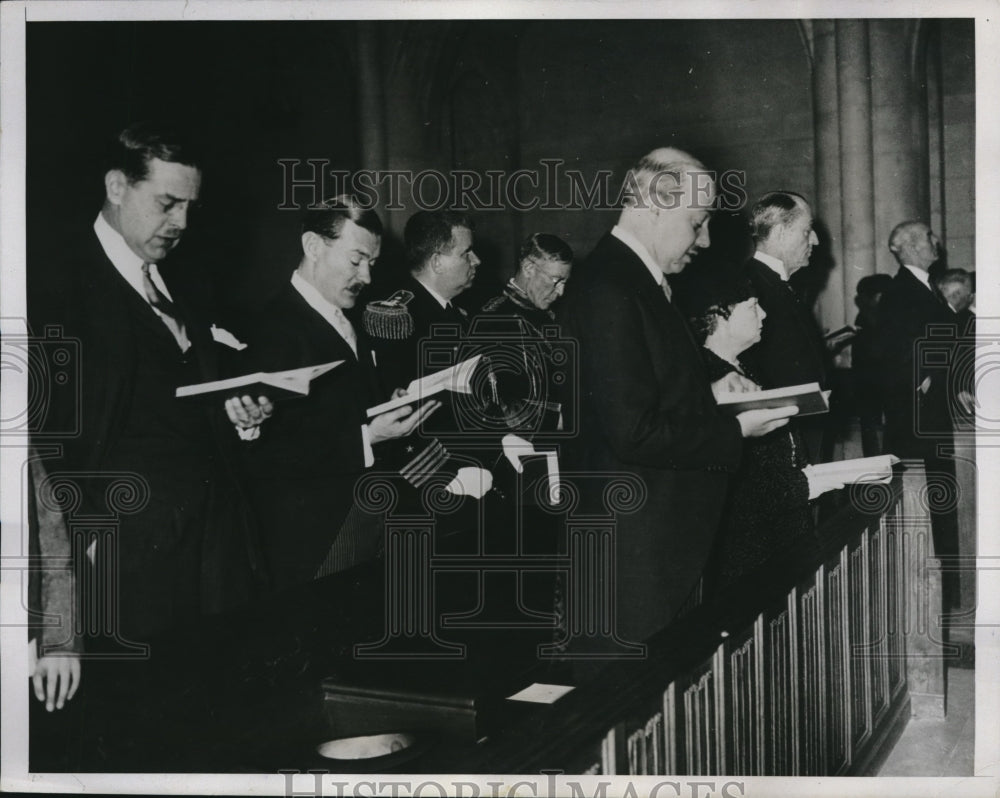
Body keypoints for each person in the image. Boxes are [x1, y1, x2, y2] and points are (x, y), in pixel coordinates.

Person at [27, 122, 270, 644]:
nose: (181, 222)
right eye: (167, 203)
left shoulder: (188, 279)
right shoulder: (54, 288)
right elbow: (41, 443)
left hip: (215, 551)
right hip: (125, 558)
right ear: (117, 187)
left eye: (189, 207)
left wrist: (238, 413)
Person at [558, 147, 797, 649]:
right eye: (696, 222)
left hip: (659, 545)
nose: (705, 239)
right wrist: (735, 429)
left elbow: (639, 396)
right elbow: (633, 431)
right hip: (634, 556)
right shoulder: (609, 285)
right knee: (635, 713)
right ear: (653, 206)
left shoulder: (636, 280)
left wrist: (708, 393)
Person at [236, 197, 442, 589]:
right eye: (356, 259)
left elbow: (338, 409)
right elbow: (270, 452)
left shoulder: (344, 320)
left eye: (373, 263)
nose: (366, 276)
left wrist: (388, 402)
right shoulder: (274, 329)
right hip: (315, 540)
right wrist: (370, 435)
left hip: (360, 520)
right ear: (314, 246)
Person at [688, 276, 820, 587]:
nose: (764, 314)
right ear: (719, 315)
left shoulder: (747, 366)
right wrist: (801, 487)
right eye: (753, 307)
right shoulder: (704, 376)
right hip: (746, 540)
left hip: (780, 521)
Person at [875, 221, 962, 607]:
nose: (935, 242)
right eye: (928, 237)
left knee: (940, 503)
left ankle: (946, 594)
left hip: (934, 414)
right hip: (919, 419)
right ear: (908, 246)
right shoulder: (900, 292)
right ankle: (932, 599)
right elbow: (897, 353)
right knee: (928, 505)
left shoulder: (924, 286)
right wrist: (924, 379)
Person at [366, 210, 481, 395]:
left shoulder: (457, 310)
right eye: (466, 253)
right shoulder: (398, 318)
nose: (476, 260)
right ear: (437, 263)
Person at [478, 233, 574, 437]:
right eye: (556, 281)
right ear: (529, 268)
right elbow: (499, 401)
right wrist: (569, 419)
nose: (561, 292)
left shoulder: (552, 313)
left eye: (565, 282)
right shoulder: (495, 319)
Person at [851, 273, 895, 456]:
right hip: (877, 382)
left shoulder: (866, 315)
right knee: (877, 433)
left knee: (873, 432)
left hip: (868, 382)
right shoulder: (874, 317)